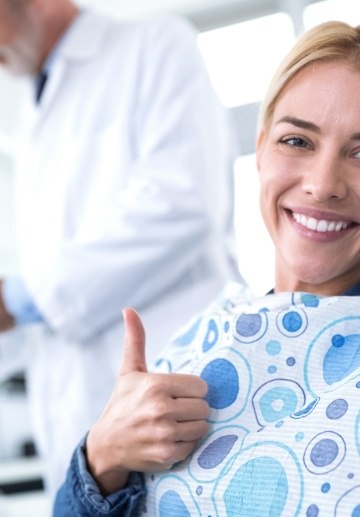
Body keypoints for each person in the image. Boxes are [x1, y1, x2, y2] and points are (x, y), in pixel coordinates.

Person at [54, 20, 360, 516]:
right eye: (297, 141)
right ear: (260, 150)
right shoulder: (198, 343)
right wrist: (102, 456)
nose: (323, 185)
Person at [0, 0, 240, 496]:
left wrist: (17, 299)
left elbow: (183, 203)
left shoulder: (153, 46)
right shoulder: (22, 109)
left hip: (175, 397)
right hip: (77, 423)